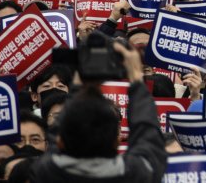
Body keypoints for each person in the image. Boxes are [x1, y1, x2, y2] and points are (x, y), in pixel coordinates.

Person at [28, 42, 167, 183]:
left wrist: (78, 86)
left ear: (60, 141)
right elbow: (148, 133)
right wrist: (137, 78)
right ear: (116, 142)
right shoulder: (136, 173)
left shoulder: (45, 171)